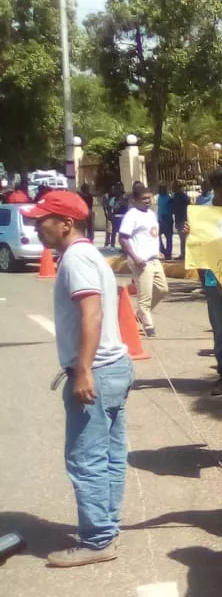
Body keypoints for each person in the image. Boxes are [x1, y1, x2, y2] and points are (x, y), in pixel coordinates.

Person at [23, 191, 133, 567]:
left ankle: (98, 539)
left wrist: (83, 370)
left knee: (85, 457)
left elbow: (91, 315)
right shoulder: (89, 255)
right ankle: (106, 527)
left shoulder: (76, 259)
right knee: (109, 454)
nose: (38, 226)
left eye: (44, 220)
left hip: (97, 371)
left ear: (66, 223)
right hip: (113, 366)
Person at [190, 167, 222, 396]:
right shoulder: (202, 215)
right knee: (220, 330)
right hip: (213, 278)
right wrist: (188, 236)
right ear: (217, 188)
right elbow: (197, 249)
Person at [117, 184, 168, 337]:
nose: (147, 201)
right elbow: (123, 238)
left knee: (162, 289)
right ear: (136, 200)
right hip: (141, 261)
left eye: (149, 198)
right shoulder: (132, 215)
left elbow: (151, 236)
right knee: (145, 295)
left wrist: (158, 251)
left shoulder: (151, 214)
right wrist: (135, 257)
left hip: (154, 259)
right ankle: (148, 326)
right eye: (144, 199)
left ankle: (141, 313)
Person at [169, 181, 189, 261]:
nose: (172, 188)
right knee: (182, 239)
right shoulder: (177, 196)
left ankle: (184, 255)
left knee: (184, 239)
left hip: (183, 220)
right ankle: (183, 254)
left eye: (173, 186)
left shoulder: (182, 197)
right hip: (179, 220)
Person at [156, 183, 173, 260]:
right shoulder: (159, 197)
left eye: (160, 188)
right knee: (157, 236)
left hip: (167, 220)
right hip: (160, 220)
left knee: (169, 238)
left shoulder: (169, 198)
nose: (159, 190)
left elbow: (171, 209)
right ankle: (163, 250)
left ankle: (168, 254)